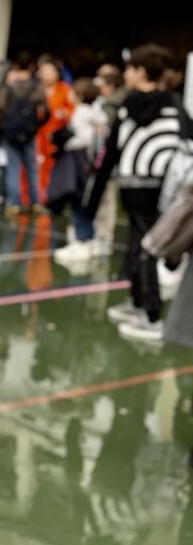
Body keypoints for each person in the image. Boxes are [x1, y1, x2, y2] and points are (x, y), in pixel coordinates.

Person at [89, 44, 186, 341]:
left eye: (130, 69)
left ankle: (151, 314)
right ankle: (137, 302)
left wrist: (92, 196)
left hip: (135, 185)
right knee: (141, 247)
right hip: (160, 187)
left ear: (141, 72)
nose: (127, 74)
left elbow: (110, 153)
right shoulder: (174, 105)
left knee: (144, 248)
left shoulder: (128, 106)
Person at [51, 78, 108, 265]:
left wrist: (67, 144)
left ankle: (82, 240)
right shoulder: (97, 114)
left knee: (78, 201)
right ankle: (89, 240)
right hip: (90, 163)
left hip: (79, 162)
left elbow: (84, 138)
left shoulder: (81, 113)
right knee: (86, 201)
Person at [0, 53, 47, 215]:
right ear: (31, 67)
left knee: (13, 169)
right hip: (29, 133)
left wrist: (3, 127)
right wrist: (36, 126)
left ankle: (14, 203)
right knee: (32, 169)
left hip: (11, 133)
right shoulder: (36, 88)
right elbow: (46, 111)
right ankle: (35, 202)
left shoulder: (8, 88)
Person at [92, 64, 127, 255]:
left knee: (108, 199)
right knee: (102, 198)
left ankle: (105, 238)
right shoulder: (102, 103)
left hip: (110, 161)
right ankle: (100, 235)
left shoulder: (115, 106)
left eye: (103, 85)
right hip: (100, 158)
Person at [36, 56, 75, 204]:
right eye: (43, 71)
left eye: (49, 71)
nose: (46, 74)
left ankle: (51, 198)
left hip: (56, 137)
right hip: (38, 136)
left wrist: (65, 114)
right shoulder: (36, 90)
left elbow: (73, 110)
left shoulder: (65, 89)